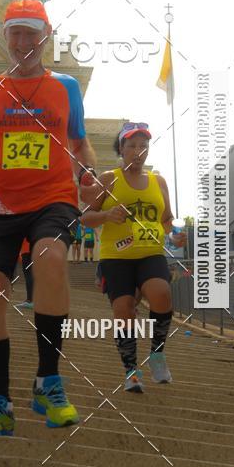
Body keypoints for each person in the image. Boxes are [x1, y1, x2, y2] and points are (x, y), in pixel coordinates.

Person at [0, 0, 97, 435]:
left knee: (50, 256)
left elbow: (79, 142)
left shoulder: (66, 88)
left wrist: (87, 173)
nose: (23, 41)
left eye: (32, 33)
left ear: (46, 37)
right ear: (6, 37)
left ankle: (48, 380)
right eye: (16, 33)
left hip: (52, 197)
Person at [81, 122, 185, 392]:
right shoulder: (109, 179)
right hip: (116, 257)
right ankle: (131, 371)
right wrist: (106, 215)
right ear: (122, 149)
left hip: (151, 253)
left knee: (161, 294)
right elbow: (85, 217)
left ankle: (157, 354)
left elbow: (166, 219)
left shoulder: (158, 181)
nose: (138, 151)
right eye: (132, 146)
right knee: (124, 309)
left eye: (143, 146)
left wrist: (174, 235)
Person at [16, 238, 34, 309]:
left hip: (27, 250)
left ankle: (30, 300)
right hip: (34, 249)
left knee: (29, 274)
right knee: (32, 274)